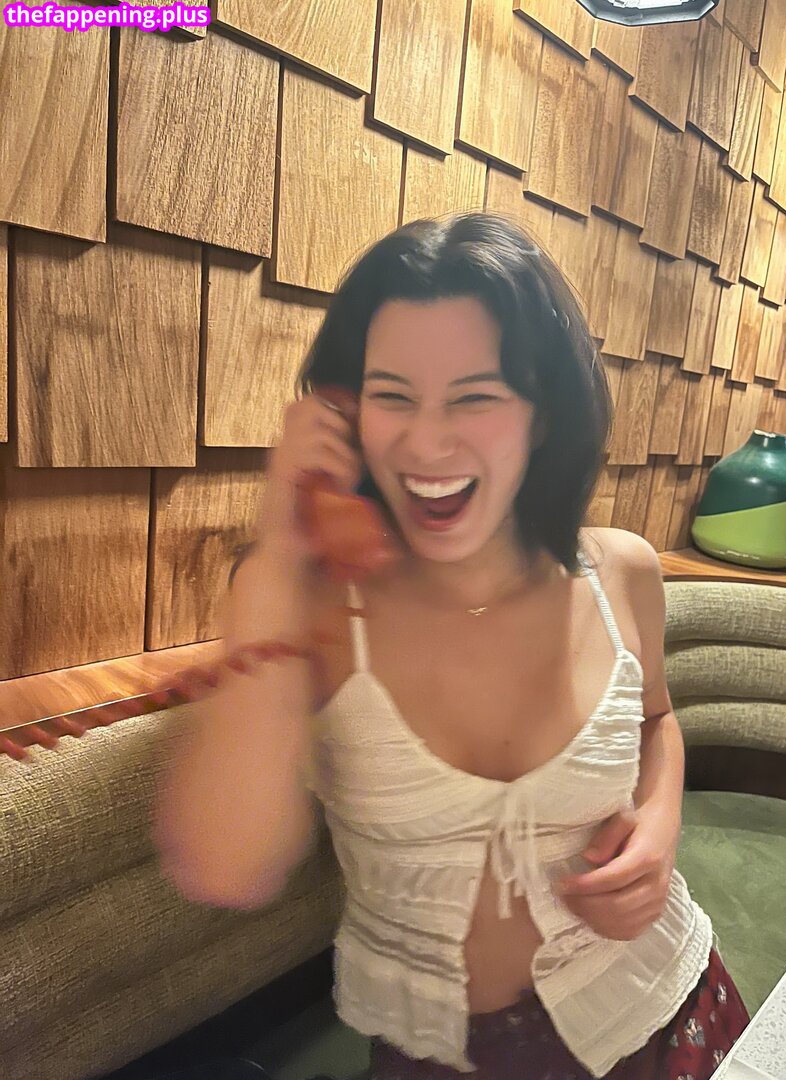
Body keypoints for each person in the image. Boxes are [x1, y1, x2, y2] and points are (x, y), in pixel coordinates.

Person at [154, 213, 750, 1079]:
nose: (428, 442)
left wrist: (660, 827)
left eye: (475, 396)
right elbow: (224, 866)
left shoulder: (621, 572)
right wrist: (277, 556)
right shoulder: (311, 608)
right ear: (344, 411)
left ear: (542, 416)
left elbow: (658, 721)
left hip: (666, 1010)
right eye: (393, 396)